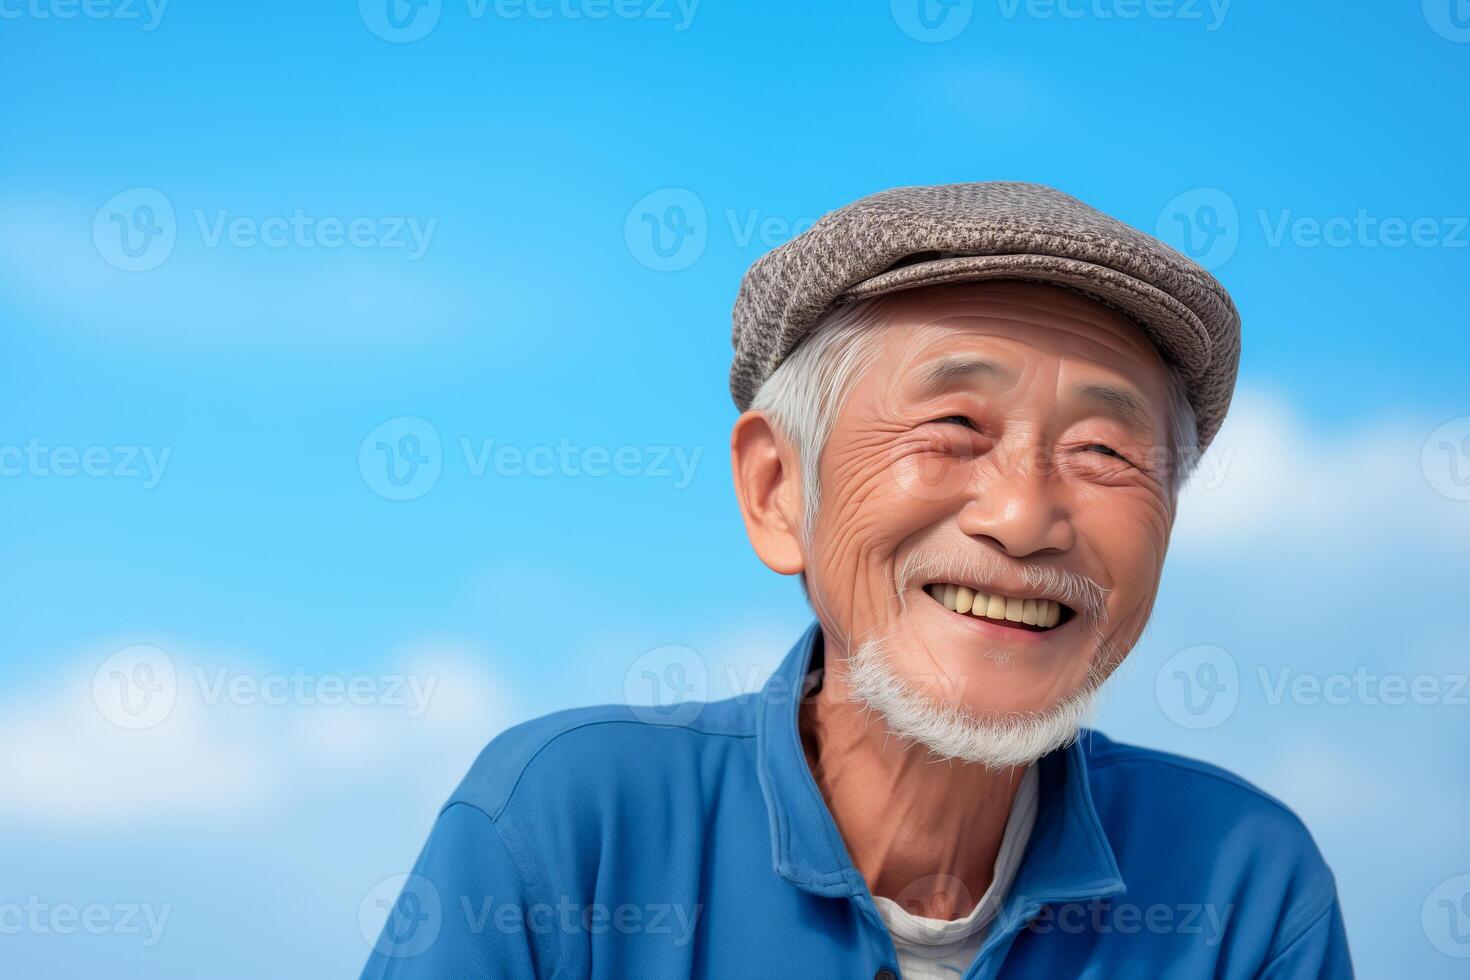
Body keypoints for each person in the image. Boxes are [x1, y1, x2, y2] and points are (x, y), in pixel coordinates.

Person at [361, 182, 1350, 979]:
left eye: (1103, 450)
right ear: (780, 489)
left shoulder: (1240, 881)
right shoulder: (569, 823)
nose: (1024, 514)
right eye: (955, 426)